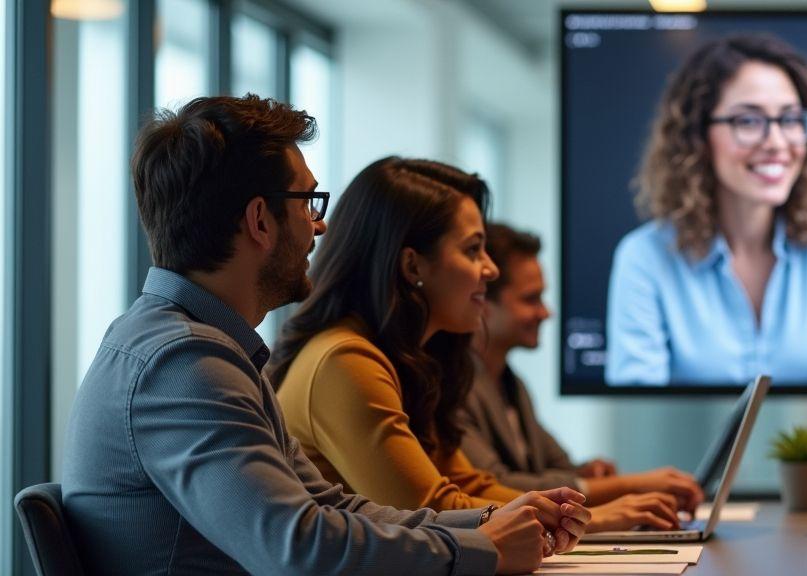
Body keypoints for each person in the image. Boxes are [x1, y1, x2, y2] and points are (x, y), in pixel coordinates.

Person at [61, 95, 587, 576]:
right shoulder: (183, 364)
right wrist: (483, 550)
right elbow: (298, 547)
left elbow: (330, 508)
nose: (320, 227)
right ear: (260, 221)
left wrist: (487, 524)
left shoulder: (202, 347)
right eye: (309, 202)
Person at [269, 157, 685, 534]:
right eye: (473, 250)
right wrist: (594, 518)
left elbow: (468, 485)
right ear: (413, 265)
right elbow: (431, 508)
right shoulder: (345, 359)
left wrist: (586, 512)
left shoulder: (399, 360)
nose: (491, 268)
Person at [605, 34, 807, 386]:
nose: (776, 143)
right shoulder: (645, 257)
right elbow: (637, 397)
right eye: (748, 121)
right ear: (698, 135)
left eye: (790, 119)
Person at [462, 221, 706, 508]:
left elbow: (559, 468)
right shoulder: (453, 388)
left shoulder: (510, 384)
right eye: (531, 299)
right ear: (481, 303)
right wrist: (629, 486)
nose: (546, 312)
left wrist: (588, 474)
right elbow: (496, 486)